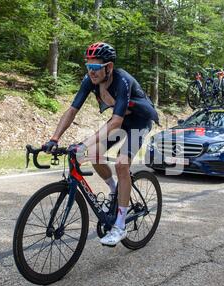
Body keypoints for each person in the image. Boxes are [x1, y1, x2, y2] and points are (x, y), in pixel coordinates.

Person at [43, 42, 159, 246]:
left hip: (139, 121)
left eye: (96, 67)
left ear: (109, 67)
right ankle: (114, 190)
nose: (91, 71)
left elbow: (116, 121)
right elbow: (72, 110)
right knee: (94, 153)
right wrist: (54, 138)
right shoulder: (90, 80)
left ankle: (120, 226)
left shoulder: (122, 80)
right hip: (121, 118)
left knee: (122, 164)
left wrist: (83, 143)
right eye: (88, 66)